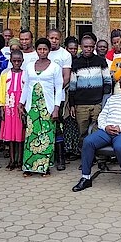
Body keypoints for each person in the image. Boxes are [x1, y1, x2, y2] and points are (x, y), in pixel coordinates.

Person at [72, 72, 121, 193]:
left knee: (120, 147)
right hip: (107, 130)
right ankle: (86, 178)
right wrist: (105, 126)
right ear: (120, 85)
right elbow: (102, 115)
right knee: (88, 141)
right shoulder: (112, 99)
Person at [19, 38, 64, 177]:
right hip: (32, 107)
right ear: (36, 50)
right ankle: (28, 167)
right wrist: (21, 103)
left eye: (45, 49)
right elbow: (26, 86)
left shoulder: (55, 67)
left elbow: (59, 88)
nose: (42, 51)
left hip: (47, 107)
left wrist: (56, 108)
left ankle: (44, 167)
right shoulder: (29, 66)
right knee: (31, 136)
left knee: (46, 136)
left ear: (49, 50)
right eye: (40, 49)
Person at [69, 35, 112, 150]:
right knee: (82, 132)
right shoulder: (76, 63)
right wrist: (72, 104)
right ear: (81, 46)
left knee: (97, 131)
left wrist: (104, 99)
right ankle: (84, 155)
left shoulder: (100, 61)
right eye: (86, 46)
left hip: (97, 103)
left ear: (94, 47)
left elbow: (107, 81)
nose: (88, 49)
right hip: (81, 104)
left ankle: (99, 156)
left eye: (91, 47)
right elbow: (72, 85)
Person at [47, 28, 74, 171]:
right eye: (51, 38)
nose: (54, 41)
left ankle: (60, 158)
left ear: (60, 39)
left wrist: (55, 91)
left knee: (57, 126)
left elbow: (66, 77)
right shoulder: (42, 51)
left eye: (56, 38)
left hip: (58, 96)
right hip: (43, 97)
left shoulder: (65, 54)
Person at [0, 48, 26, 171]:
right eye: (14, 61)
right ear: (10, 60)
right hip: (9, 107)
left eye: (19, 61)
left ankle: (20, 160)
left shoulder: (25, 74)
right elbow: (1, 91)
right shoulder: (5, 75)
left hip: (20, 108)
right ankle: (12, 160)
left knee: (20, 135)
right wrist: (1, 107)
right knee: (10, 135)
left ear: (22, 61)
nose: (16, 63)